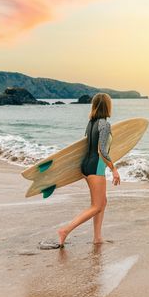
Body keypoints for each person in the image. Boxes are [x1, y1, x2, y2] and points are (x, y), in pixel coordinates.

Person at [57, 93, 120, 247]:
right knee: (96, 206)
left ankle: (97, 237)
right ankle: (65, 230)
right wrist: (114, 169)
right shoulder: (104, 125)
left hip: (86, 165)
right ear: (108, 106)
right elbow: (102, 152)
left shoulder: (91, 123)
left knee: (101, 202)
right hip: (96, 167)